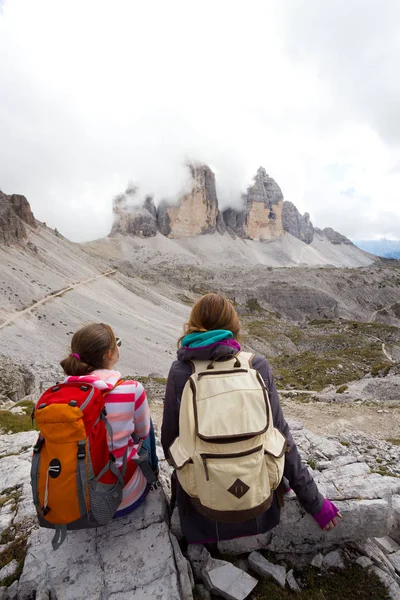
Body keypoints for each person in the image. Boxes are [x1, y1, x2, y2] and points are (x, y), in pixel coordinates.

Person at [161, 293, 341, 543]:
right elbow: (281, 436)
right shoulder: (257, 365)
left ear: (192, 326)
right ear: (234, 328)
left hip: (203, 516)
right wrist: (315, 503)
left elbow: (170, 442)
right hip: (261, 511)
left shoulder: (181, 372)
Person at [61, 322, 158, 518]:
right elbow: (142, 434)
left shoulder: (60, 394)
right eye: (117, 343)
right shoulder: (132, 389)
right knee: (148, 427)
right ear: (109, 354)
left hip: (72, 502)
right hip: (122, 498)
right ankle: (153, 474)